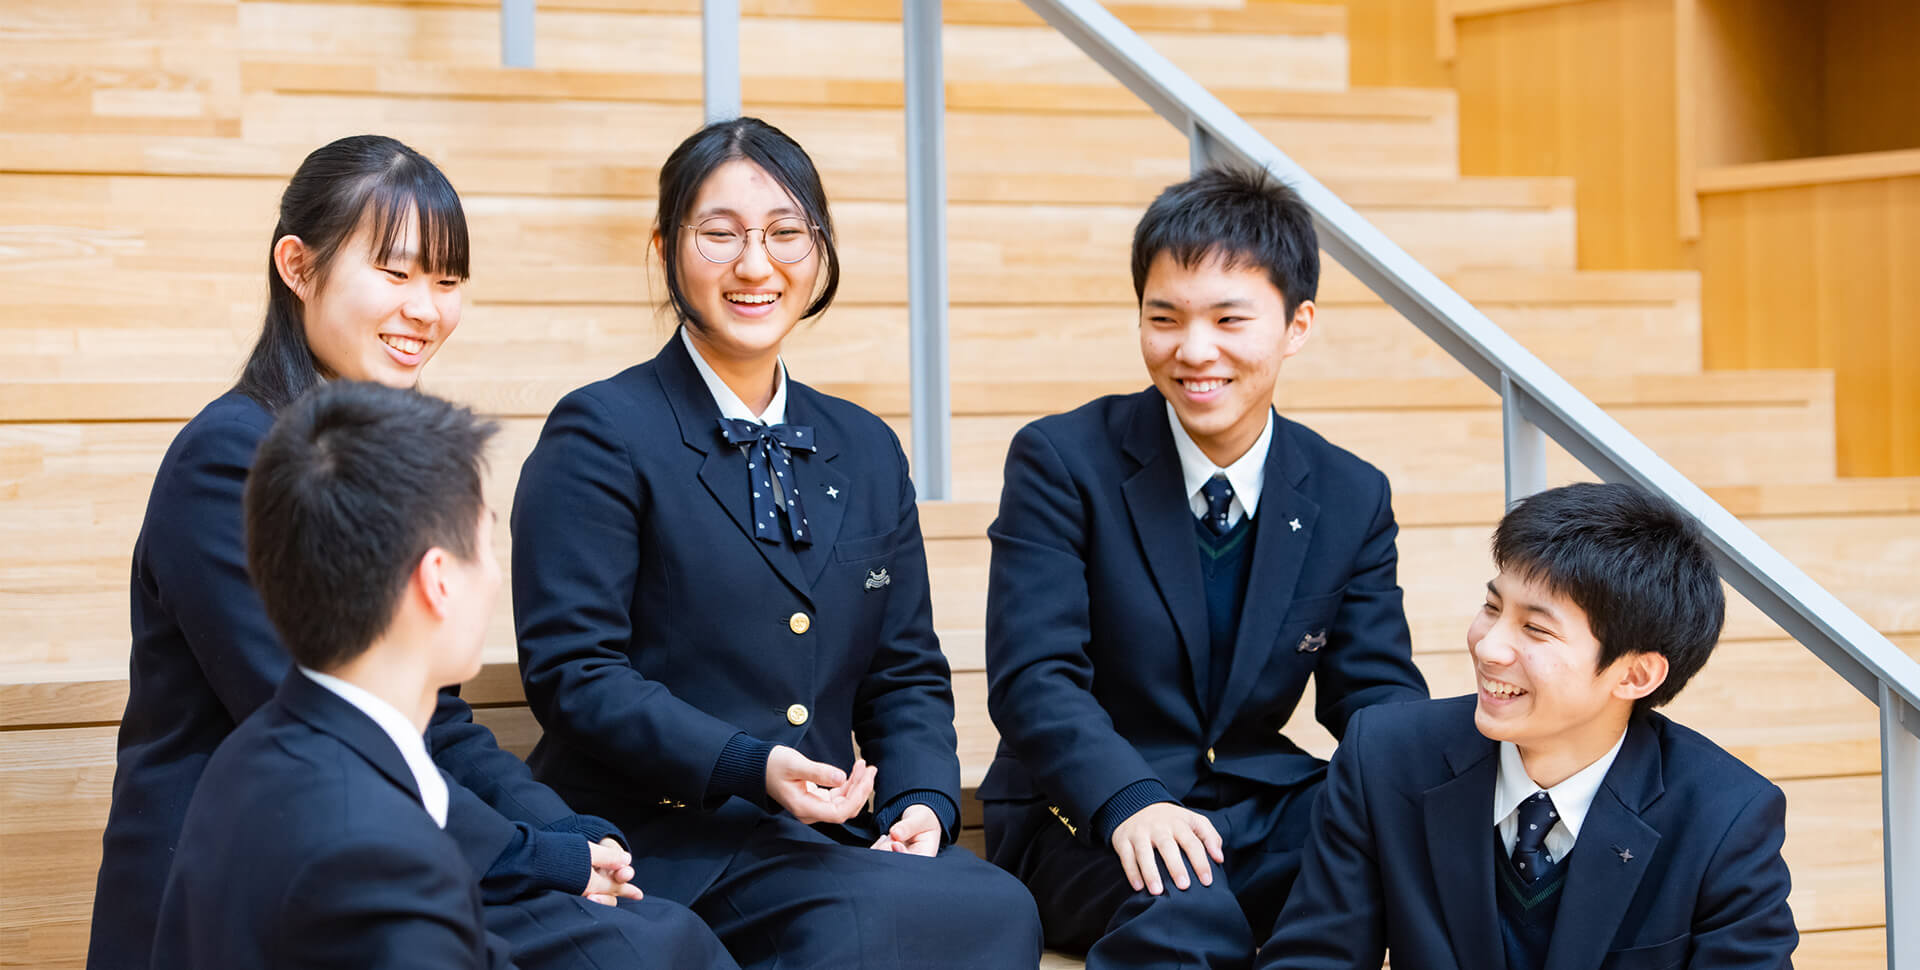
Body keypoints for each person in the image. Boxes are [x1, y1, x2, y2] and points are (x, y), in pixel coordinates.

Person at [90, 135, 734, 970]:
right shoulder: (232, 457)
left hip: (373, 843)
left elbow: (438, 718)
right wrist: (535, 857)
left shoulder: (389, 451)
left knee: (661, 934)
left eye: (448, 280)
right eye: (395, 275)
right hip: (269, 882)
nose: (425, 310)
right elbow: (324, 721)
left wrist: (569, 832)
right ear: (296, 265)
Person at [509, 115, 1043, 969]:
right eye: (719, 235)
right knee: (863, 927)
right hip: (666, 842)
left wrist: (922, 802)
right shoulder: (602, 431)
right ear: (666, 248)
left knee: (995, 904)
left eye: (786, 234)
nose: (755, 265)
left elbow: (903, 670)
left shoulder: (866, 446)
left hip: (818, 845)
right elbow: (574, 674)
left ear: (819, 249)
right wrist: (748, 766)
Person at [979, 166, 1429, 970]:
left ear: (1297, 325)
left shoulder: (1349, 492)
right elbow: (1033, 678)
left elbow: (1374, 693)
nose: (1193, 351)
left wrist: (1431, 792)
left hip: (1256, 805)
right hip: (1086, 816)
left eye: (1229, 319)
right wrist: (1130, 799)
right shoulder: (1061, 461)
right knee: (1187, 910)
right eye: (1165, 318)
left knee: (1392, 858)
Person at [1259, 482, 1797, 969]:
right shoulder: (1384, 756)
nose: (1489, 647)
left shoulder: (1725, 819)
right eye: (1492, 608)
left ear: (1635, 674)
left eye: (1535, 629)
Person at [152, 382, 514, 968]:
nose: (497, 577)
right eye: (487, 541)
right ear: (438, 580)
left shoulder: (250, 753)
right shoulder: (385, 861)